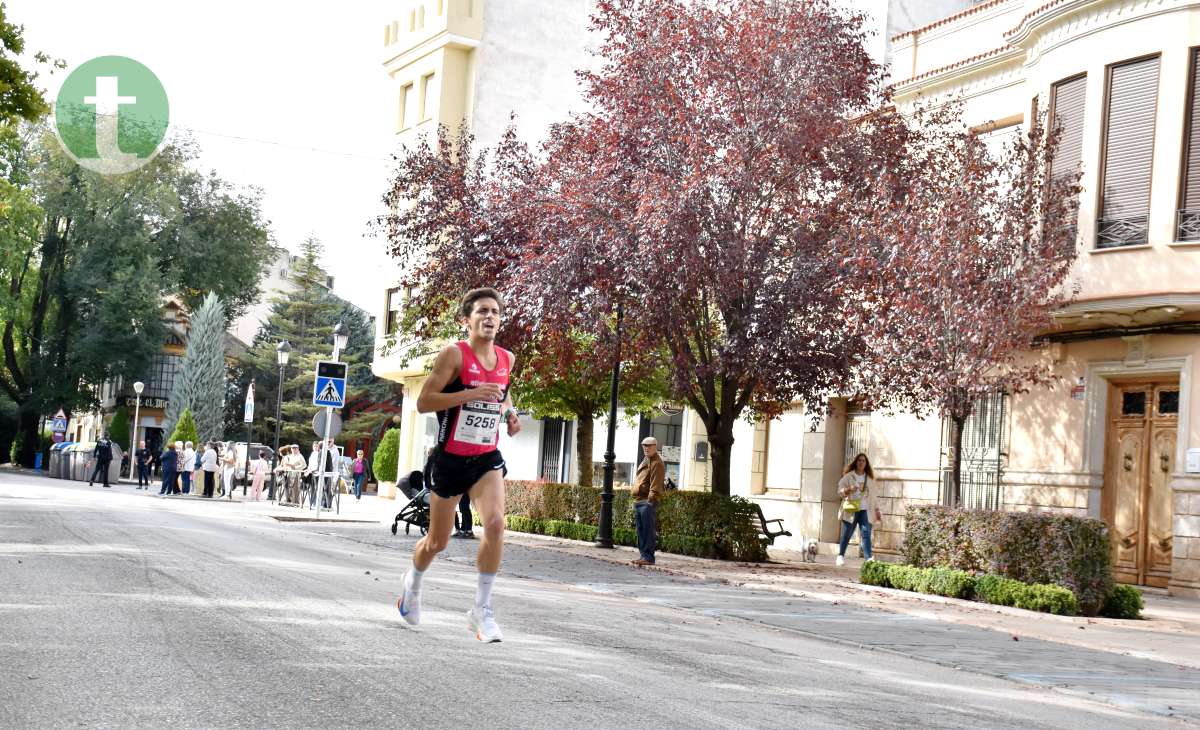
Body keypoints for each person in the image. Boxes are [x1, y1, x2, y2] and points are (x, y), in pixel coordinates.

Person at [396, 288, 521, 643]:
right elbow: (424, 402)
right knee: (438, 541)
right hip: (449, 459)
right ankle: (413, 584)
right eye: (482, 311)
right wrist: (470, 393)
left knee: (496, 524)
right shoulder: (454, 355)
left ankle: (481, 610)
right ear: (467, 320)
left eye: (495, 311)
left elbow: (503, 393)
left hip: (485, 458)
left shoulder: (506, 358)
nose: (490, 317)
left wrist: (510, 415)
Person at [836, 453, 882, 566]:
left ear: (866, 464)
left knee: (866, 533)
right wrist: (849, 489)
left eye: (863, 461)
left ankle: (868, 559)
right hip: (851, 509)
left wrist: (877, 510)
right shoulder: (849, 476)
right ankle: (840, 556)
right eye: (859, 460)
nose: (861, 462)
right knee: (847, 533)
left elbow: (874, 496)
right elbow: (840, 492)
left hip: (865, 510)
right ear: (856, 462)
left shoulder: (870, 479)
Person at [631, 436, 666, 566]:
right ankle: (643, 555)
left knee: (647, 530)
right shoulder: (646, 460)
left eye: (649, 445)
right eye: (644, 445)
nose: (646, 448)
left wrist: (650, 500)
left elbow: (656, 484)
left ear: (655, 446)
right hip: (639, 500)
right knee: (641, 530)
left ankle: (649, 557)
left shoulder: (657, 462)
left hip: (647, 501)